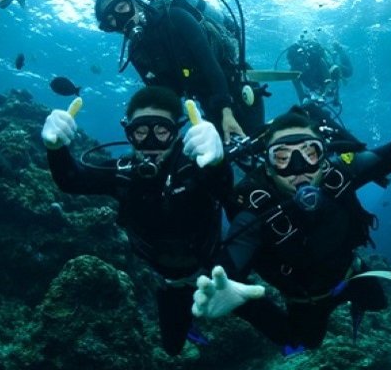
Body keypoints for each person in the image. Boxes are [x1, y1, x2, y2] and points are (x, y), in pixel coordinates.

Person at [192, 58, 391, 353]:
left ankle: (355, 295)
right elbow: (228, 266)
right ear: (267, 167)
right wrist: (236, 297)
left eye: (309, 153)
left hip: (350, 274)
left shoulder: (338, 174)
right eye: (282, 157)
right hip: (306, 301)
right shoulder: (257, 205)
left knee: (379, 303)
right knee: (302, 344)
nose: (297, 168)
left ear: (324, 156)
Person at [40, 85, 284, 355]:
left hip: (217, 272)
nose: (152, 143)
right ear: (129, 133)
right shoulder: (124, 174)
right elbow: (71, 180)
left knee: (288, 335)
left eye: (161, 131)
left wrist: (217, 162)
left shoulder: (196, 164)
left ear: (177, 133)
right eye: (141, 132)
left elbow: (223, 187)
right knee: (171, 349)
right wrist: (56, 149)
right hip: (168, 282)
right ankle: (189, 325)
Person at [95, 0, 264, 143]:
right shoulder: (136, 50)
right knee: (227, 151)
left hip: (236, 84)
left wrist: (226, 111)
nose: (119, 20)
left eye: (122, 7)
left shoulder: (175, 17)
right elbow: (164, 97)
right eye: (110, 20)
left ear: (134, 1)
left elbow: (210, 64)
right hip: (207, 99)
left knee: (255, 142)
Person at [285, 36, 353, 106]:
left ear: (305, 57)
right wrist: (307, 104)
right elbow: (301, 96)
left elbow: (328, 80)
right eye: (296, 64)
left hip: (330, 72)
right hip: (318, 86)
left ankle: (339, 50)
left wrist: (326, 96)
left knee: (349, 72)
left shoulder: (317, 59)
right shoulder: (294, 73)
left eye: (300, 61)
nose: (300, 66)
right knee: (328, 94)